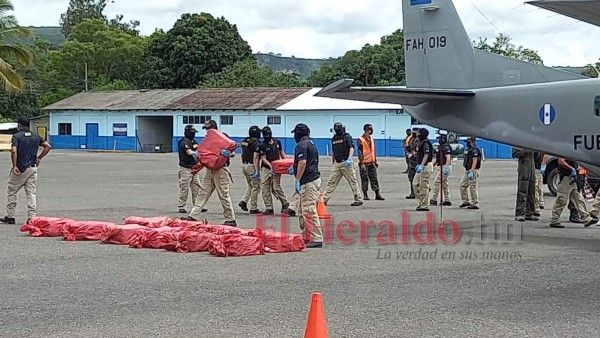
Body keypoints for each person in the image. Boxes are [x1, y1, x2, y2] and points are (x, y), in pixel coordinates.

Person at [183, 120, 237, 226]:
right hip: (210, 169)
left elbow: (232, 151)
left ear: (214, 128)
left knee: (223, 194)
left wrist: (227, 153)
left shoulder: (223, 136)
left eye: (208, 128)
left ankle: (231, 219)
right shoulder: (207, 139)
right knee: (203, 192)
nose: (207, 131)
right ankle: (193, 216)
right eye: (206, 129)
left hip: (221, 169)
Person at [0, 117, 51, 224]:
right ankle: (32, 217)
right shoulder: (36, 136)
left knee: (12, 191)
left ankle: (10, 216)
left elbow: (14, 151)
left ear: (19, 125)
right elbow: (47, 146)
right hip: (33, 167)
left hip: (20, 168)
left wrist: (14, 166)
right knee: (31, 192)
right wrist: (39, 157)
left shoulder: (17, 136)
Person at [290, 123, 322, 248]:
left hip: (308, 181)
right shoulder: (311, 143)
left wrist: (297, 178)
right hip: (312, 179)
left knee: (309, 210)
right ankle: (306, 236)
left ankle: (316, 238)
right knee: (302, 210)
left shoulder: (302, 145)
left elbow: (302, 163)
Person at [548, 158, 597, 228]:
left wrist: (579, 170)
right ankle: (554, 220)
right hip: (565, 178)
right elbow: (561, 162)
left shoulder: (570, 151)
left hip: (572, 178)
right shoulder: (564, 149)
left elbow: (574, 164)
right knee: (562, 199)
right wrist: (571, 169)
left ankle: (587, 219)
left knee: (578, 200)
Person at [323, 122, 362, 206]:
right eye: (336, 129)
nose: (338, 130)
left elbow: (351, 147)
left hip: (346, 162)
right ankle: (324, 200)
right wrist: (333, 162)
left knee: (352, 181)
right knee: (331, 182)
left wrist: (349, 159)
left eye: (339, 129)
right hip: (337, 163)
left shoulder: (346, 136)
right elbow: (334, 151)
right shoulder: (334, 138)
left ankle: (358, 199)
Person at [258, 126, 289, 215]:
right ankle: (269, 208)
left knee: (276, 187)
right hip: (266, 168)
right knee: (265, 188)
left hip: (277, 168)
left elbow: (281, 152)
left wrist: (285, 163)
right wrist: (270, 165)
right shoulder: (262, 145)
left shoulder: (277, 142)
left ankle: (285, 203)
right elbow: (263, 158)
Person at [177, 125, 202, 214]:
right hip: (185, 169)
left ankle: (197, 205)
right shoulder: (184, 142)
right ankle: (181, 206)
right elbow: (189, 152)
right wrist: (196, 154)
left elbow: (199, 149)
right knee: (184, 188)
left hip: (194, 169)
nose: (193, 134)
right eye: (192, 132)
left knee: (197, 188)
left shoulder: (193, 141)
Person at [238, 125, 262, 214]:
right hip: (252, 166)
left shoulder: (245, 141)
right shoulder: (257, 143)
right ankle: (253, 207)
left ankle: (243, 201)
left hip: (244, 165)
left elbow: (241, 153)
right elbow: (256, 157)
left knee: (250, 185)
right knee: (256, 186)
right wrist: (256, 170)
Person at [357, 123, 384, 201]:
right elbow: (360, 152)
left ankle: (377, 194)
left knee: (374, 178)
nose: (371, 131)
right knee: (364, 178)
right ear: (366, 130)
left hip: (372, 163)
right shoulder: (360, 140)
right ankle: (365, 194)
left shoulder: (372, 139)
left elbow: (372, 151)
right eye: (370, 129)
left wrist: (375, 161)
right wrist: (361, 163)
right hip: (364, 163)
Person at [512, 147, 539, 221]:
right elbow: (514, 154)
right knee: (523, 190)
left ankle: (529, 212)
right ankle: (519, 213)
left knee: (531, 191)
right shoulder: (519, 142)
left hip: (532, 165)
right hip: (524, 166)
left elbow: (537, 156)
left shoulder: (533, 143)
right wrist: (525, 150)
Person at [413, 128, 434, 211]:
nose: (417, 134)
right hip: (421, 166)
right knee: (415, 184)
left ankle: (424, 205)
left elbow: (426, 154)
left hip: (425, 166)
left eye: (418, 132)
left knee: (423, 186)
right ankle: (422, 200)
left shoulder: (425, 143)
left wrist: (421, 165)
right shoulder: (421, 142)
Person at [430, 132, 452, 206]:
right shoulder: (441, 147)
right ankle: (447, 200)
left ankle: (434, 199)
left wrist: (445, 167)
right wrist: (432, 165)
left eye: (439, 139)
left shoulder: (445, 147)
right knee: (444, 183)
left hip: (445, 166)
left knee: (437, 182)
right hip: (442, 166)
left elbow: (448, 158)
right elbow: (438, 158)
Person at [459, 136, 481, 209]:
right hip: (467, 170)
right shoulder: (469, 150)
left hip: (473, 170)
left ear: (472, 142)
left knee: (472, 187)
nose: (467, 143)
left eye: (468, 142)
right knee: (462, 185)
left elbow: (475, 161)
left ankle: (475, 203)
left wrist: (472, 171)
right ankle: (465, 201)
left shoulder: (475, 150)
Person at [406, 127, 420, 199]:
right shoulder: (411, 140)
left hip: (416, 162)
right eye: (413, 131)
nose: (413, 133)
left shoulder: (418, 141)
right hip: (412, 162)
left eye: (415, 132)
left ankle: (417, 192)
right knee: (411, 177)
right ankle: (413, 193)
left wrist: (413, 154)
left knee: (418, 178)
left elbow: (417, 152)